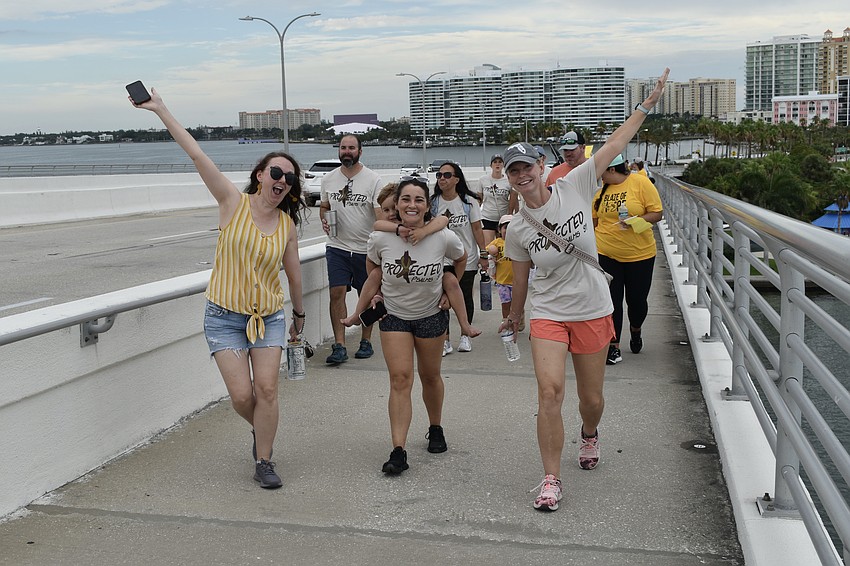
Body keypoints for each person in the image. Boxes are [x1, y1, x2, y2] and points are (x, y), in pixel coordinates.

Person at [500, 68, 669, 512]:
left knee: (590, 399)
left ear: (542, 166)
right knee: (550, 392)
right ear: (509, 177)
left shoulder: (574, 184)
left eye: (527, 166)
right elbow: (521, 279)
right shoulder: (517, 229)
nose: (522, 175)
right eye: (513, 170)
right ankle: (550, 478)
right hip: (549, 313)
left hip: (593, 307)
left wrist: (645, 106)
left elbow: (615, 144)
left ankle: (589, 434)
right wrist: (514, 317)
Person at [131, 88, 306, 490]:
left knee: (267, 389)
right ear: (261, 175)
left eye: (289, 178)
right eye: (275, 173)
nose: (281, 181)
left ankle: (264, 460)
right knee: (244, 398)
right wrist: (161, 110)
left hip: (270, 318)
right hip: (224, 317)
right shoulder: (232, 201)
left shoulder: (287, 225)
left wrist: (299, 317)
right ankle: (261, 432)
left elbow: (294, 276)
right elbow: (197, 155)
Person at [363, 178, 466, 474]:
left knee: (430, 376)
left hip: (431, 315)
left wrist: (450, 289)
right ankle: (398, 449)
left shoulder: (442, 236)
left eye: (419, 199)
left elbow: (461, 258)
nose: (412, 205)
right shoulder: (382, 237)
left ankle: (435, 427)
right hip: (394, 316)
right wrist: (379, 291)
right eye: (405, 199)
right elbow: (372, 266)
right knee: (400, 379)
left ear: (427, 205)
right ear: (396, 204)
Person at [341, 183, 481, 340]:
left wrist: (423, 232)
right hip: (394, 304)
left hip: (437, 279)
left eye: (393, 210)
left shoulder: (434, 228)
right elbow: (375, 231)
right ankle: (356, 315)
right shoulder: (382, 234)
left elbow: (442, 220)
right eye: (386, 210)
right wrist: (379, 290)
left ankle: (464, 324)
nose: (391, 214)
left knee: (451, 281)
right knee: (374, 274)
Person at [592, 154, 663, 365]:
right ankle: (613, 346)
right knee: (611, 303)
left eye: (602, 171)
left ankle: (636, 328)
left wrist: (637, 221)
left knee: (637, 302)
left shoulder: (640, 182)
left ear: (612, 170)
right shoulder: (599, 193)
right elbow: (594, 223)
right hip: (607, 254)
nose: (599, 176)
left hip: (640, 255)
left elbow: (657, 213)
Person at [320, 134, 384, 364]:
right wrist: (324, 219)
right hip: (337, 247)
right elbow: (325, 206)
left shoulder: (373, 180)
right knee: (336, 293)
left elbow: (380, 215)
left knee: (365, 295)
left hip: (365, 248)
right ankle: (339, 345)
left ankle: (366, 341)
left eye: (351, 148)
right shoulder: (328, 179)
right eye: (343, 147)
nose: (347, 151)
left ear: (360, 151)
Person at [432, 162, 488, 355]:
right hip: (441, 259)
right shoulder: (433, 203)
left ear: (457, 179)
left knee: (464, 296)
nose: (442, 179)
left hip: (467, 257)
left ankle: (465, 334)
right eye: (439, 175)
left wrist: (483, 254)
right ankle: (445, 339)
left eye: (447, 175)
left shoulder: (469, 201)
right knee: (441, 299)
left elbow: (477, 228)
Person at [478, 154, 516, 243]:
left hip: (503, 218)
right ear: (491, 165)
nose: (497, 164)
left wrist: (511, 214)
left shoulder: (508, 180)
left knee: (502, 246)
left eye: (500, 162)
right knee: (489, 247)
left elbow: (513, 197)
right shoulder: (483, 180)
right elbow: (479, 199)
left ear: (503, 165)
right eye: (495, 162)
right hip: (487, 217)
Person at [486, 214, 516, 324]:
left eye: (512, 227)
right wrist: (492, 251)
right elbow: (488, 249)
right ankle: (505, 321)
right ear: (499, 229)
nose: (508, 231)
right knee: (505, 303)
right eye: (505, 227)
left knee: (516, 304)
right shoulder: (497, 242)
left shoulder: (517, 242)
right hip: (502, 281)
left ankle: (518, 317)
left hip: (517, 281)